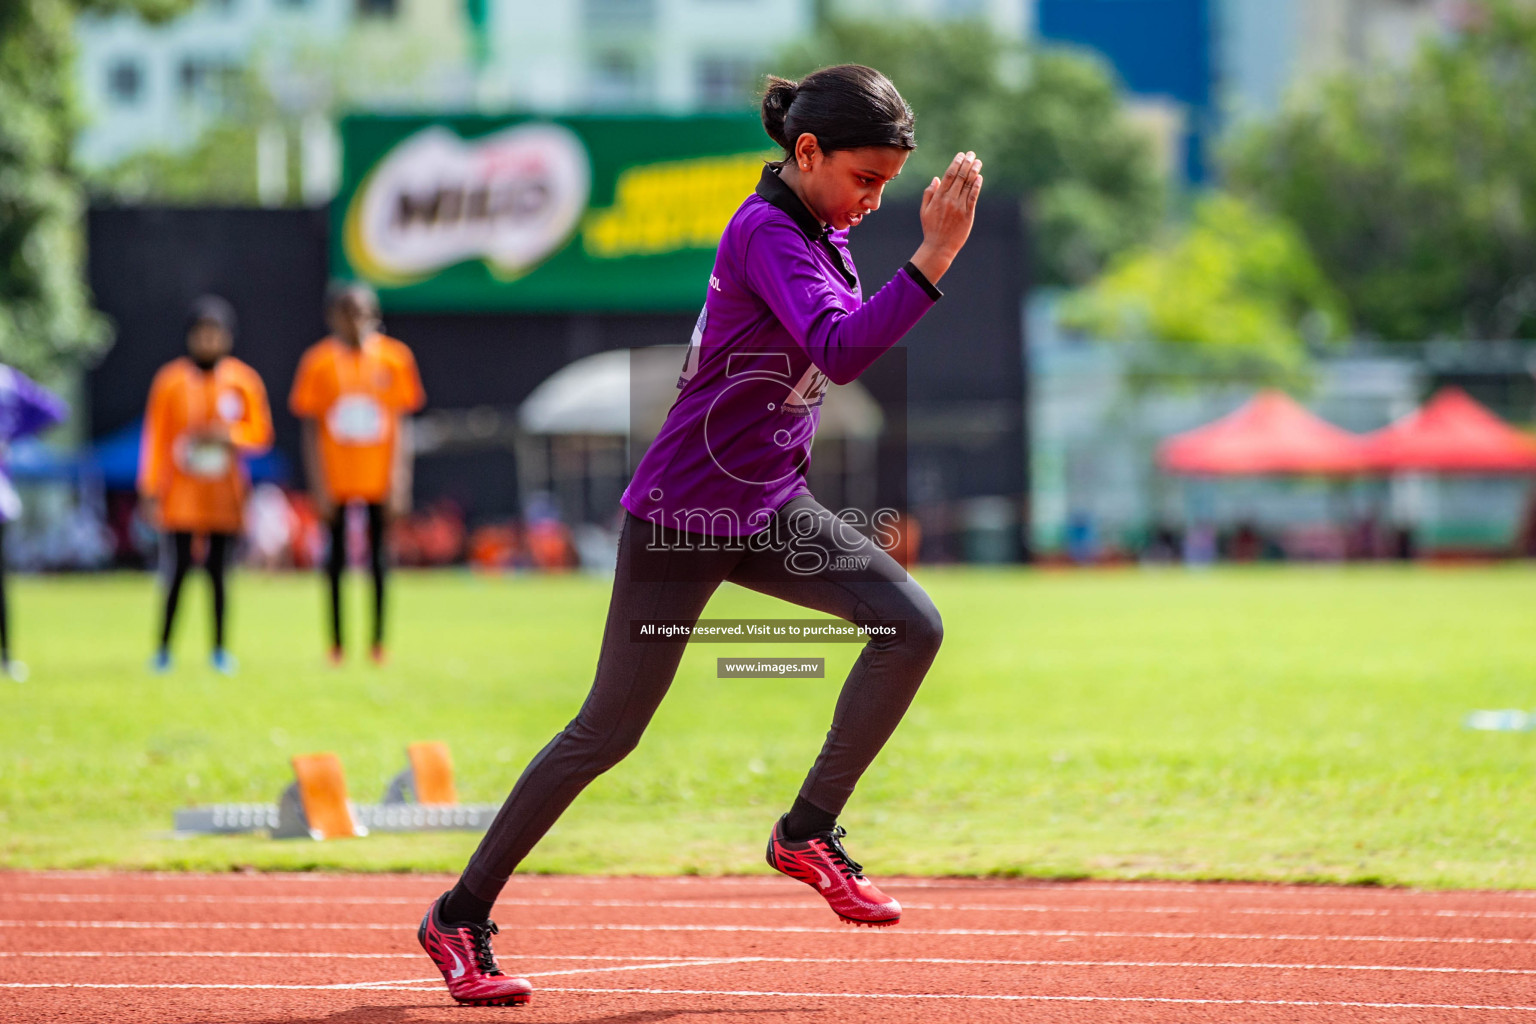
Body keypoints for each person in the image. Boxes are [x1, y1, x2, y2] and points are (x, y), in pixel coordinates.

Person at [418, 64, 982, 1007]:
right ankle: (458, 915)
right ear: (807, 152)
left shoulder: (818, 230)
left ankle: (806, 830)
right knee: (607, 731)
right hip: (684, 514)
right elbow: (839, 352)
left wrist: (915, 251)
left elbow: (825, 352)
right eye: (864, 179)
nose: (875, 201)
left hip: (765, 505)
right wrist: (934, 258)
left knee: (912, 624)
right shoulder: (768, 230)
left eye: (888, 184)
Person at [289, 282, 425, 665]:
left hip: (378, 474)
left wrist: (400, 479)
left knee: (380, 559)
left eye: (363, 312)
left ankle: (378, 643)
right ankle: (336, 645)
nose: (355, 321)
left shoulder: (395, 358)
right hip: (337, 476)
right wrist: (318, 484)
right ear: (333, 316)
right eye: (347, 312)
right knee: (333, 561)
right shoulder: (317, 362)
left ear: (375, 315)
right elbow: (311, 428)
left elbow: (402, 423)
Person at [139, 296, 273, 675]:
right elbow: (156, 440)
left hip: (223, 494)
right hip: (181, 495)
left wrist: (230, 436)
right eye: (202, 334)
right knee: (177, 571)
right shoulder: (170, 381)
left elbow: (261, 433)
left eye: (216, 334)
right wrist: (150, 488)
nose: (208, 342)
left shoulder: (243, 381)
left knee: (218, 574)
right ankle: (163, 649)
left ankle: (218, 650)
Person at [0, 364, 67, 681]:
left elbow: (54, 410)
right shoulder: (7, 378)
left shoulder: (6, 380)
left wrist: (11, 434)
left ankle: (6, 656)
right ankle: (6, 657)